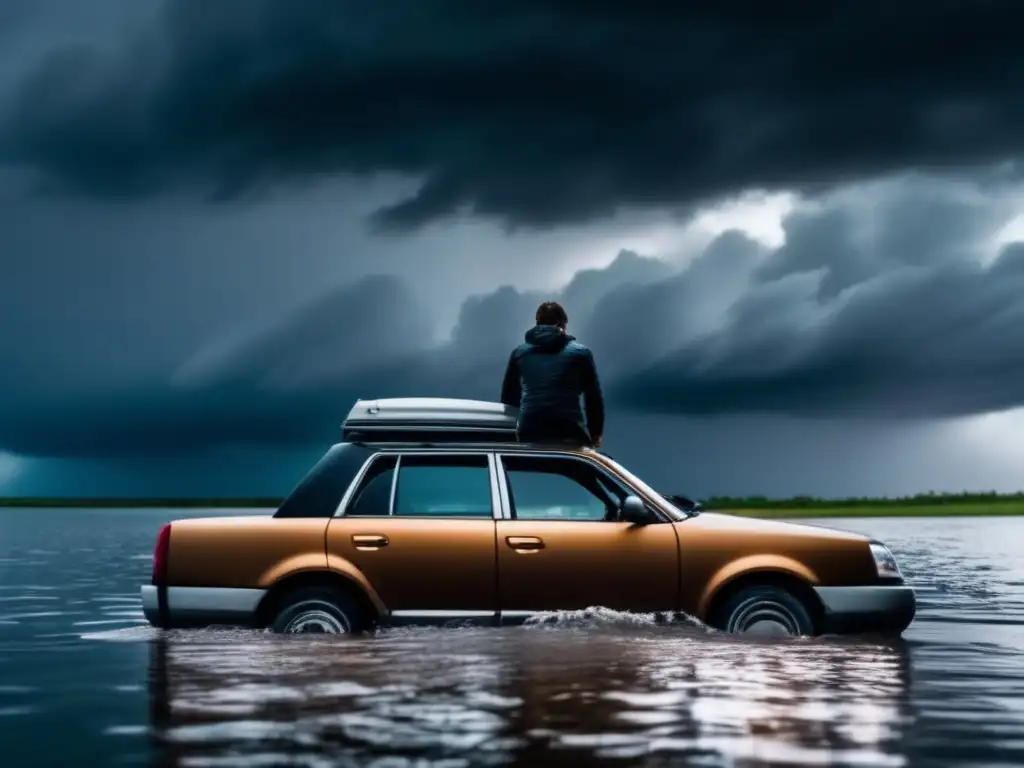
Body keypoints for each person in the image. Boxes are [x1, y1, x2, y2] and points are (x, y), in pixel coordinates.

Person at [500, 300, 604, 447]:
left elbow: (509, 398)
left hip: (530, 431)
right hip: (569, 431)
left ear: (537, 324)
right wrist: (595, 434)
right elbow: (593, 398)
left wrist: (514, 433)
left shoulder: (519, 353)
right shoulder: (581, 353)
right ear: (563, 324)